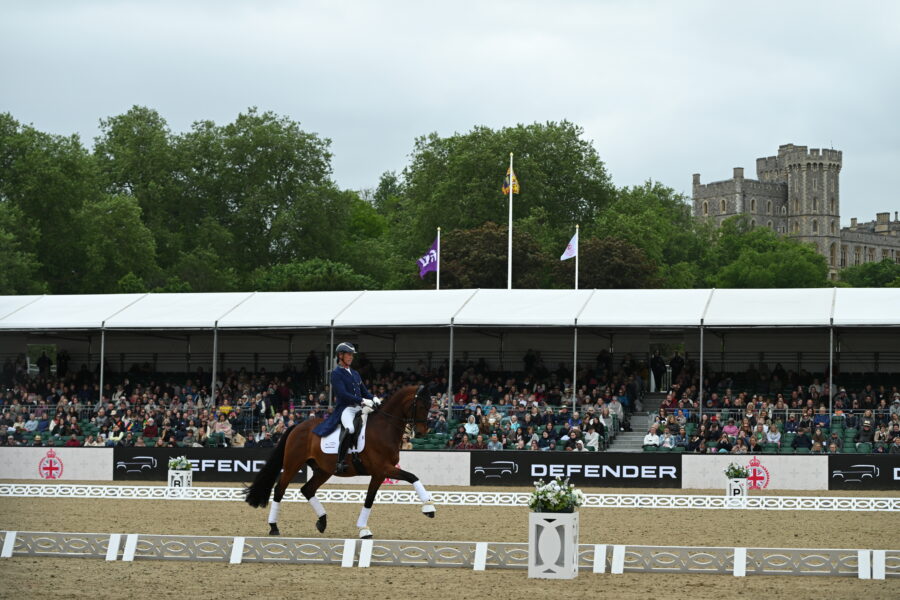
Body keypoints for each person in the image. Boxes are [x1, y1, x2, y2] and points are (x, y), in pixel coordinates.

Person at [312, 343, 378, 474]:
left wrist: (373, 397)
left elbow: (364, 391)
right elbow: (342, 394)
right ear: (340, 355)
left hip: (359, 407)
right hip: (346, 408)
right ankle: (340, 462)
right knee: (350, 428)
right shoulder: (336, 373)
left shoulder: (355, 373)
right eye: (348, 354)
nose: (351, 357)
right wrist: (361, 400)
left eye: (352, 355)